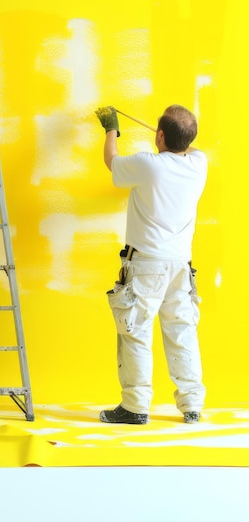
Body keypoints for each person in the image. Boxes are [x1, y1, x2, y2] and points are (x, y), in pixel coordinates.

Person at [94, 105, 207, 425]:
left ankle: (135, 407)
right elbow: (192, 147)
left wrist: (111, 130)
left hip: (146, 266)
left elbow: (111, 162)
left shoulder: (149, 165)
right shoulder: (199, 164)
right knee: (182, 332)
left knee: (136, 332)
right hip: (181, 267)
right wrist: (175, 138)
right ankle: (191, 405)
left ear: (159, 135)